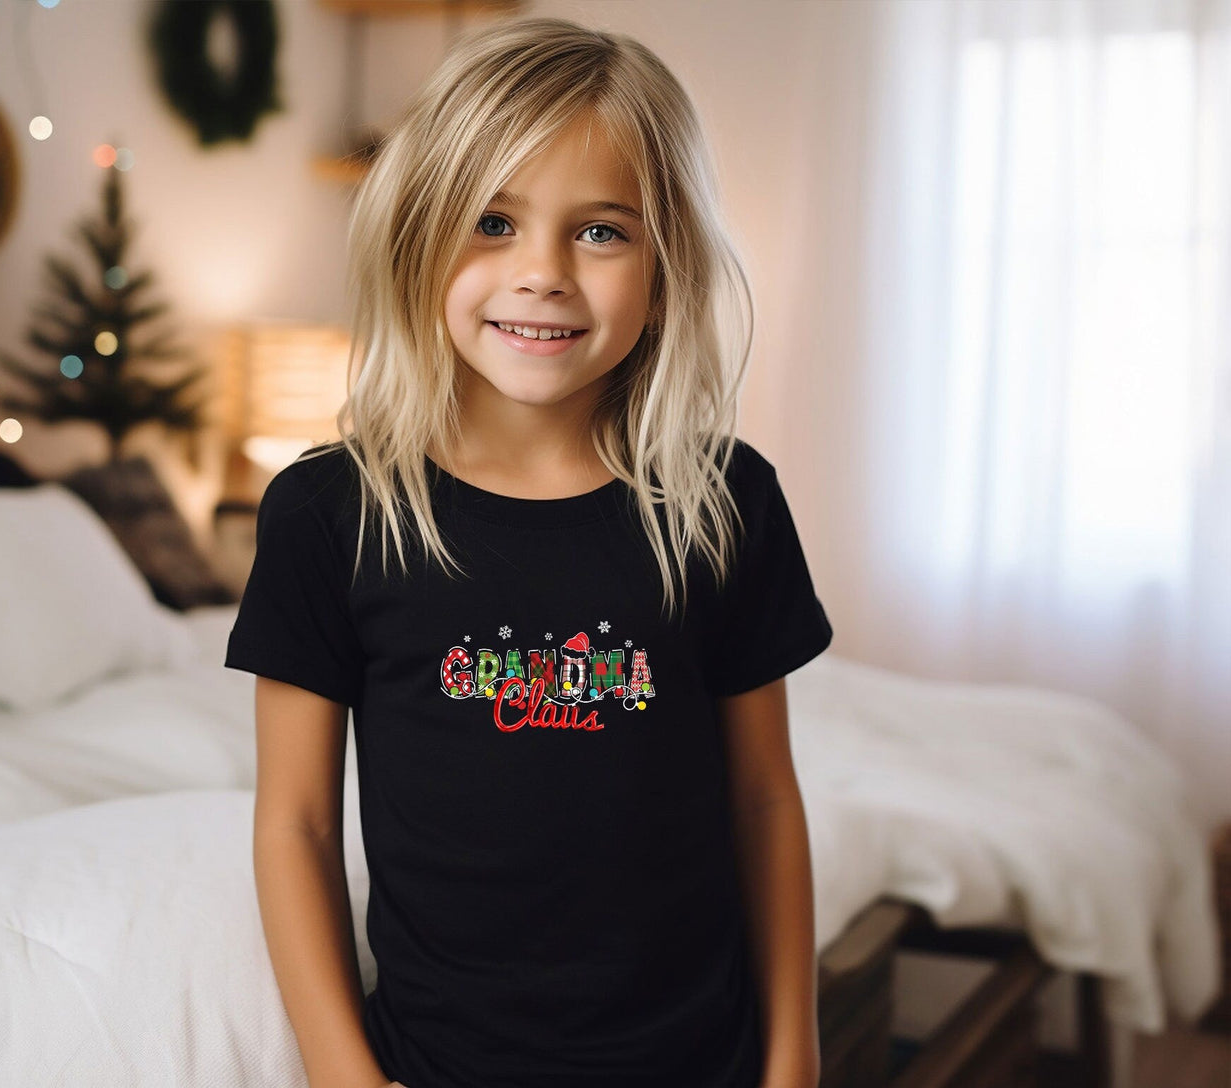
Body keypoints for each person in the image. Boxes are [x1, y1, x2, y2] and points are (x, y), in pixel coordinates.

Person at [225, 15, 832, 1088]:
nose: (542, 273)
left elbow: (762, 800)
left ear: (666, 260)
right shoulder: (329, 514)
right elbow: (297, 821)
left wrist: (793, 1059)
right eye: (492, 221)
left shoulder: (724, 500)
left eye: (600, 231)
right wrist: (342, 1074)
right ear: (418, 237)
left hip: (702, 1060)